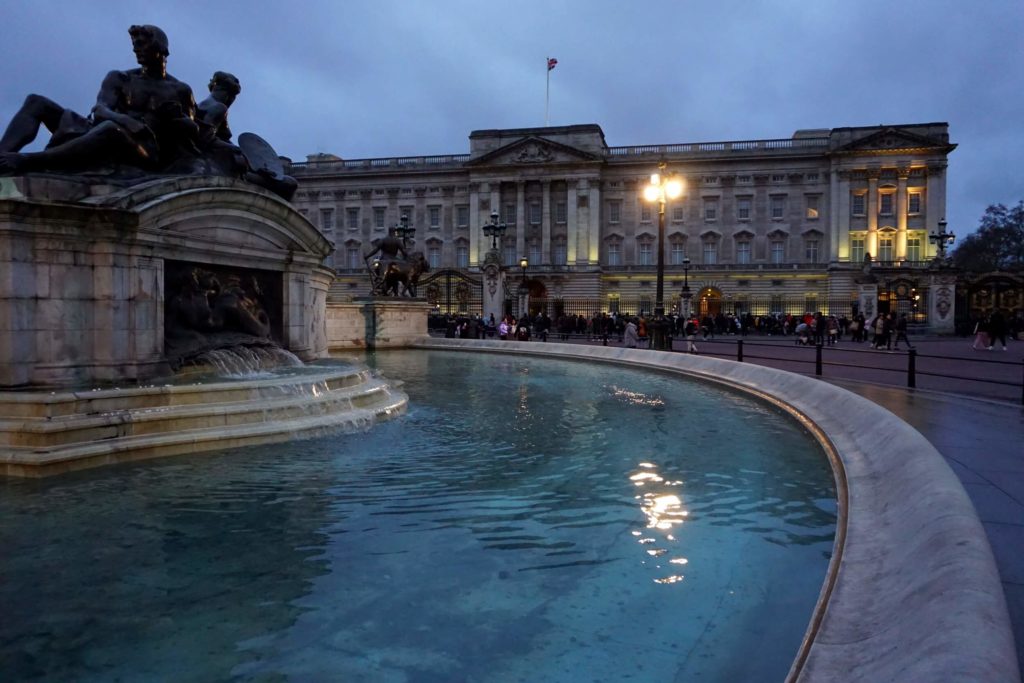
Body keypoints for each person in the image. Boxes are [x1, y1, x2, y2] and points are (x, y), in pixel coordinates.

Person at [0, 25, 200, 175]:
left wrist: (177, 120)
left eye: (142, 44)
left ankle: (28, 161)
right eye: (134, 45)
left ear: (161, 48)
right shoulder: (121, 78)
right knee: (36, 102)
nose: (136, 49)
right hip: (104, 129)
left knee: (111, 131)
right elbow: (100, 110)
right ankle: (2, 157)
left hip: (144, 150)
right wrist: (126, 120)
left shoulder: (180, 89)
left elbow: (192, 133)